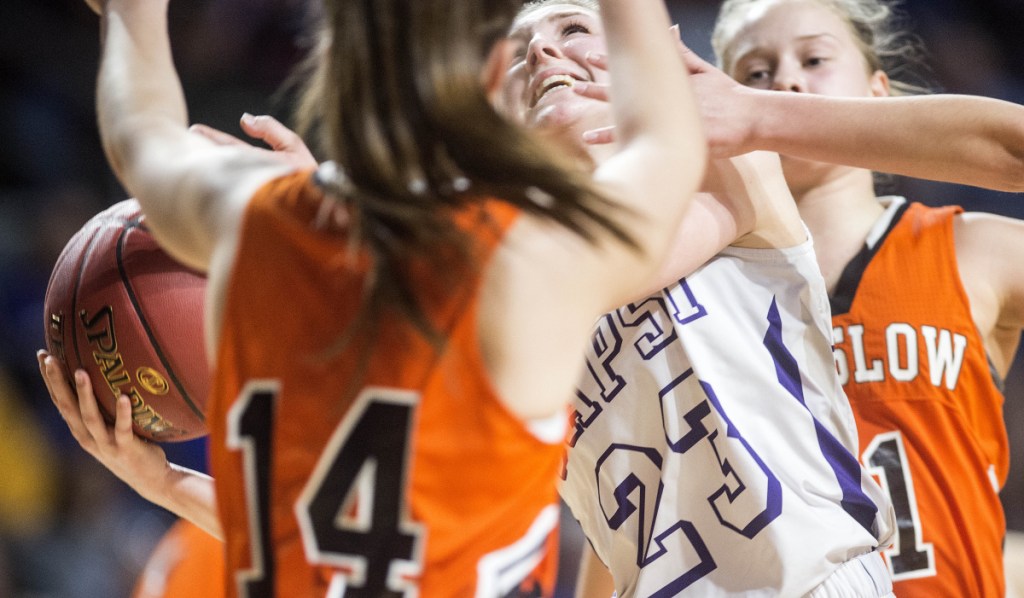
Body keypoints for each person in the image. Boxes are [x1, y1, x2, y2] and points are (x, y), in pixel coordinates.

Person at [42, 0, 706, 596]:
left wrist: (133, 15)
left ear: (331, 70)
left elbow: (141, 136)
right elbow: (668, 139)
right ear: (494, 71)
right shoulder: (530, 267)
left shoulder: (246, 222)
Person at [502, 1, 895, 596]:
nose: (538, 52)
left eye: (575, 27)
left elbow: (595, 271)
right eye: (512, 54)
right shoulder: (504, 259)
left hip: (810, 580)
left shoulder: (730, 163)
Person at [689, 0, 1024, 595]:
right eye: (755, 74)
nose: (787, 80)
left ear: (878, 90)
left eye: (814, 58)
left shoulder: (977, 251)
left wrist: (766, 112)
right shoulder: (698, 297)